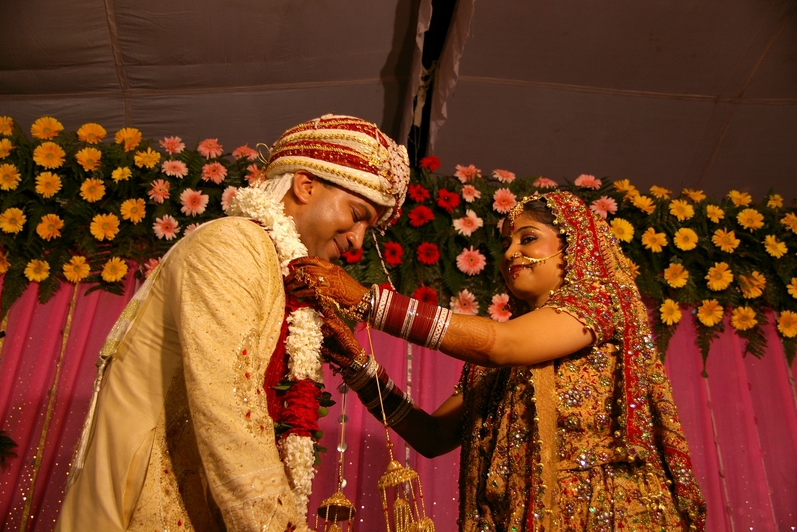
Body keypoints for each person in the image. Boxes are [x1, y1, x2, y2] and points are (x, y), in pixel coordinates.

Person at [55, 115, 410, 531]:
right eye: (357, 214)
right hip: (143, 506)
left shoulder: (274, 268)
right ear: (305, 185)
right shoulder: (232, 245)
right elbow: (230, 414)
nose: (357, 241)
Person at [289, 190, 707, 531]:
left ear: (574, 246)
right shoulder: (492, 364)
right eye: (506, 243)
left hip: (603, 514)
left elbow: (499, 343)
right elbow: (433, 437)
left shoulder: (600, 300)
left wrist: (366, 301)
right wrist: (360, 369)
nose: (510, 253)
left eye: (527, 238)